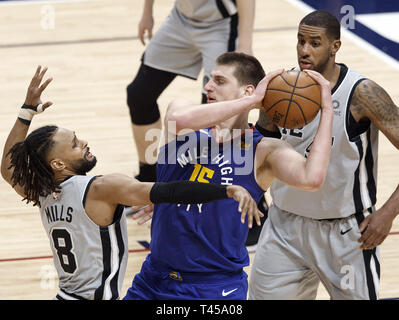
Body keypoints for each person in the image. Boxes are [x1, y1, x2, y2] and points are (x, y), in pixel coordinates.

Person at [0, 66, 262, 300]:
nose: (84, 143)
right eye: (74, 145)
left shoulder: (44, 193)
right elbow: (170, 191)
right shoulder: (102, 188)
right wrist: (226, 189)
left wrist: (25, 113)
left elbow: (8, 169)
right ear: (58, 164)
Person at [123, 51, 334, 300]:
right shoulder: (183, 117)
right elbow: (177, 119)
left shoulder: (263, 151)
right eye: (210, 79)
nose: (208, 86)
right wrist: (251, 102)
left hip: (214, 289)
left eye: (219, 81)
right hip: (153, 279)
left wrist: (328, 109)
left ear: (247, 91)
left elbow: (312, 178)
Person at [249, 10, 399, 300]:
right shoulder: (279, 88)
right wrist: (249, 195)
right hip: (283, 227)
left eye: (314, 43)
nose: (304, 50)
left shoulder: (362, 93)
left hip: (346, 234)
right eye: (300, 41)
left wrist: (387, 214)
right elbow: (259, 147)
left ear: (335, 46)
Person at [127, 0, 265, 251]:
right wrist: (147, 12)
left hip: (220, 24)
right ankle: (149, 181)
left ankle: (255, 207)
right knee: (139, 93)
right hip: (180, 19)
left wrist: (245, 43)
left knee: (216, 114)